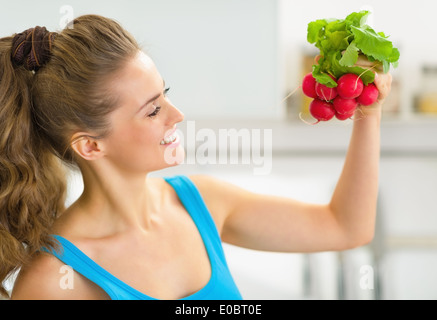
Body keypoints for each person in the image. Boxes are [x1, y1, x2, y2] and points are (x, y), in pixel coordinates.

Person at [0, 14, 392, 300]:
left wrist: (369, 114)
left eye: (165, 93)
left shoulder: (200, 202)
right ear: (90, 146)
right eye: (152, 110)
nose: (177, 115)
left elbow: (345, 227)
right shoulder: (54, 281)